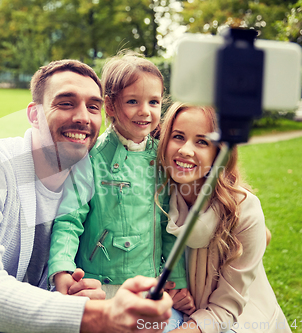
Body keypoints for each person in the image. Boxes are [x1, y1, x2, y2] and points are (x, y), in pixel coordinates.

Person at [0, 59, 174, 333]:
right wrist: (97, 315)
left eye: (92, 107)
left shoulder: (87, 176)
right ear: (33, 114)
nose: (82, 117)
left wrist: (76, 292)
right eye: (65, 103)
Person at [48, 53, 195, 333]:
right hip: (100, 288)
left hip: (148, 285)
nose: (145, 111)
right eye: (133, 101)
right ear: (111, 106)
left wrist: (177, 283)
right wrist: (62, 269)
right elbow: (69, 221)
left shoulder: (163, 159)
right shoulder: (91, 159)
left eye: (153, 102)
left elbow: (168, 227)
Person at [155, 102, 290, 333]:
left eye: (201, 141)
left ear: (219, 152)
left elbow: (226, 309)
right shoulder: (161, 198)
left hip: (239, 320)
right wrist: (169, 292)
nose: (186, 150)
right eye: (178, 136)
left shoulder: (245, 210)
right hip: (186, 311)